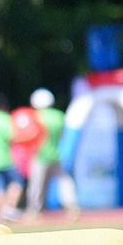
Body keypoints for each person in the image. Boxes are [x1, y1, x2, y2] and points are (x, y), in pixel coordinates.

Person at [22, 88, 80, 220]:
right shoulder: (59, 116)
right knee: (65, 182)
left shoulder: (35, 117)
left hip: (40, 155)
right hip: (56, 154)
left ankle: (34, 211)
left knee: (36, 185)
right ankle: (72, 208)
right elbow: (62, 135)